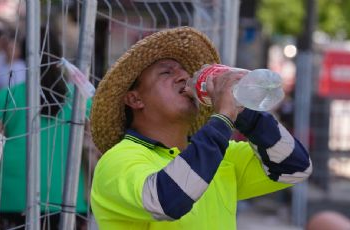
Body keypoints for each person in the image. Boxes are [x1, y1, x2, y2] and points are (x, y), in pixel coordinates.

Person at [90, 26, 312, 229]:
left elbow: (296, 168)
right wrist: (223, 117)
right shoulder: (118, 161)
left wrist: (245, 112)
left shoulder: (217, 153)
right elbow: (166, 200)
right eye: (167, 72)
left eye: (185, 71)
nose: (184, 77)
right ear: (135, 99)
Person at [0, 27, 91, 229]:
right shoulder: (80, 98)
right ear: (59, 55)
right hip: (66, 192)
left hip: (13, 194)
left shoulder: (10, 95)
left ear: (24, 56)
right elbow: (97, 142)